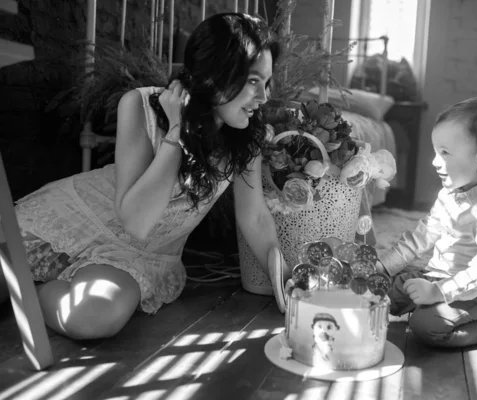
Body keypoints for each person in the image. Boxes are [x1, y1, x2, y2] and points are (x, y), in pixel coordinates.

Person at [0, 13, 291, 341]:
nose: (263, 97)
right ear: (215, 74)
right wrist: (177, 132)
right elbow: (135, 218)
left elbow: (253, 216)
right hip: (72, 220)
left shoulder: (244, 138)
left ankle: (35, 288)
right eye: (254, 81)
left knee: (93, 319)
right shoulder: (140, 105)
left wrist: (288, 287)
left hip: (135, 257)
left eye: (266, 83)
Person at [378, 97, 477, 348]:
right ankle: (424, 302)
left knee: (426, 325)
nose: (434, 162)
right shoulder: (450, 193)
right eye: (436, 152)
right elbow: (422, 236)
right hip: (437, 277)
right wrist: (383, 267)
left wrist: (439, 292)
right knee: (374, 291)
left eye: (445, 153)